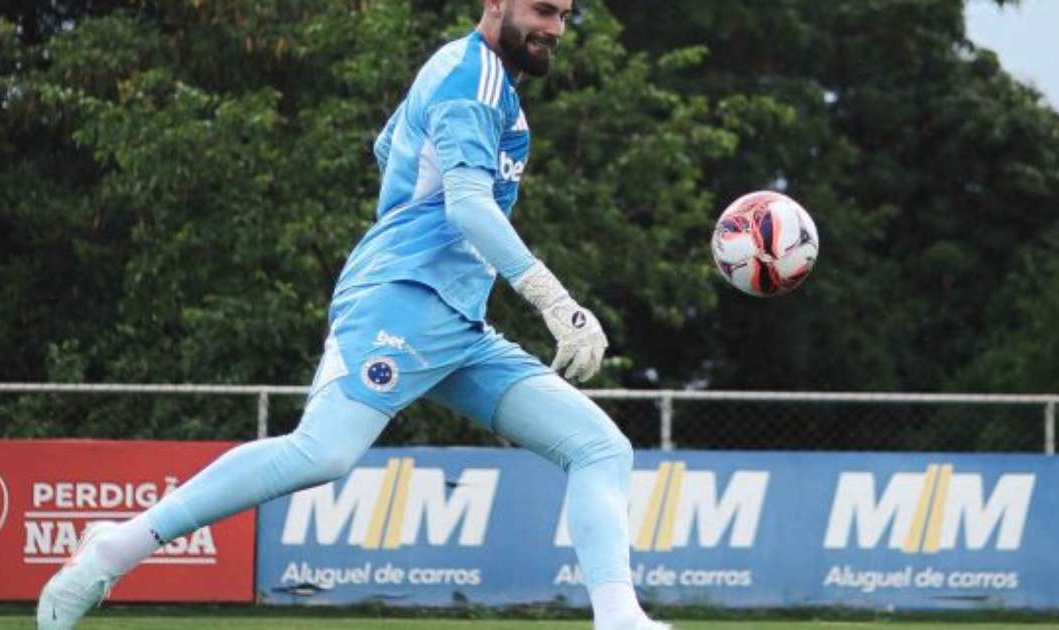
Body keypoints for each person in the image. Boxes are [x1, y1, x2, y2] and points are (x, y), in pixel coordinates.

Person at [37, 1, 671, 628]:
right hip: (401, 296)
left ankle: (617, 618)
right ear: (495, 4)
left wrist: (408, 207)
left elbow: (388, 143)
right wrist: (556, 302)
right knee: (322, 453)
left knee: (599, 447)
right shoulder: (471, 76)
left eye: (563, 15)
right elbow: (469, 206)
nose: (555, 29)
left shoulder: (485, 82)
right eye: (542, 11)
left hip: (458, 322)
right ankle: (117, 548)